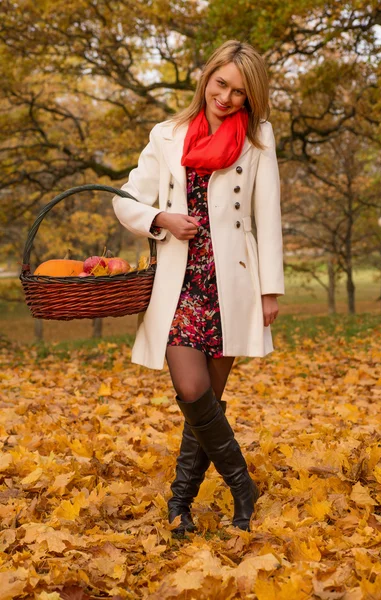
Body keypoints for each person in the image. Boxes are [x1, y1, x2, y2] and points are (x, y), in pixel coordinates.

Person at [112, 40, 284, 534]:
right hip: (179, 282)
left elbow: (266, 216)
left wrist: (269, 290)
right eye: (220, 83)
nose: (226, 97)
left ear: (251, 99)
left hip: (232, 282)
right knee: (191, 389)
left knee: (204, 405)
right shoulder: (166, 135)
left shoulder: (258, 139)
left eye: (239, 92)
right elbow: (126, 200)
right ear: (206, 78)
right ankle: (242, 486)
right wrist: (161, 218)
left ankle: (179, 504)